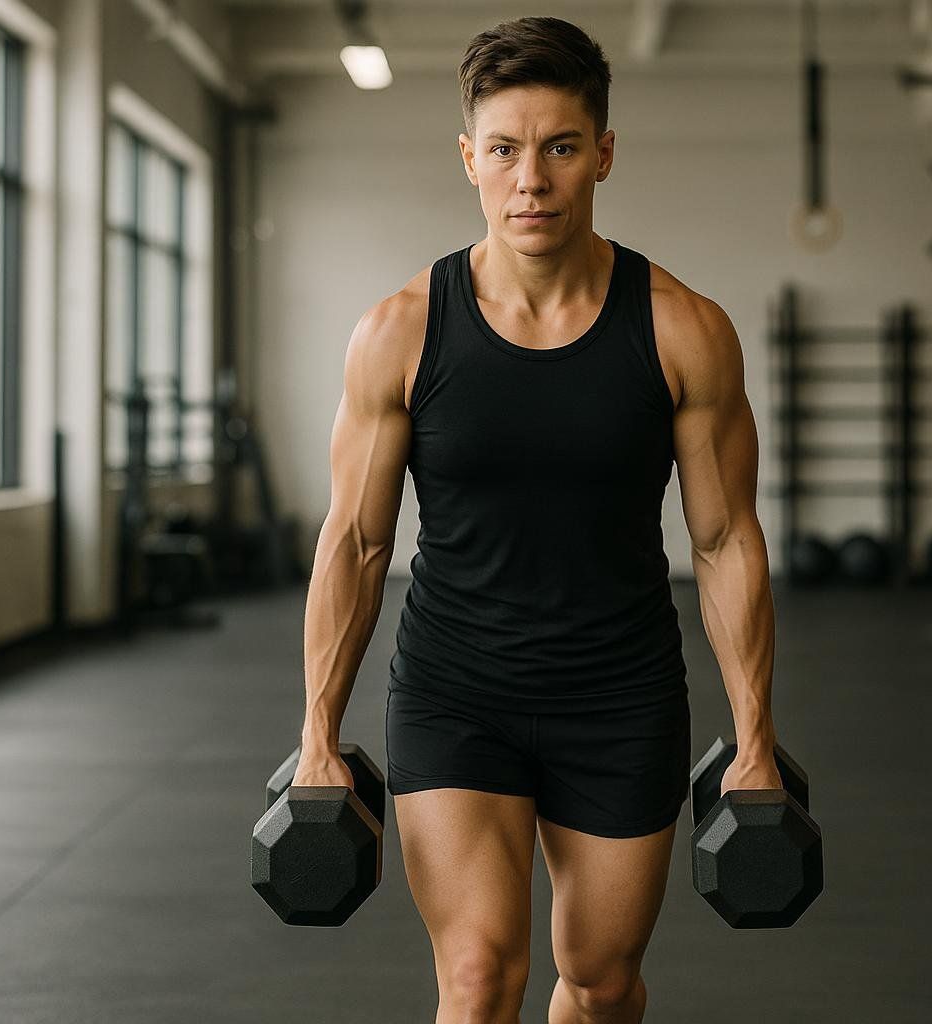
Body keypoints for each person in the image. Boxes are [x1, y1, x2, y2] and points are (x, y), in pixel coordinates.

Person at [293, 16, 781, 1024]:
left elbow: (725, 537)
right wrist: (317, 732)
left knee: (599, 985)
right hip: (455, 689)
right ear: (469, 157)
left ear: (603, 153)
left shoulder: (683, 329)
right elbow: (357, 542)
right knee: (477, 979)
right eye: (506, 150)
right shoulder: (400, 332)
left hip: (620, 693)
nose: (532, 180)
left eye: (560, 147)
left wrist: (755, 736)